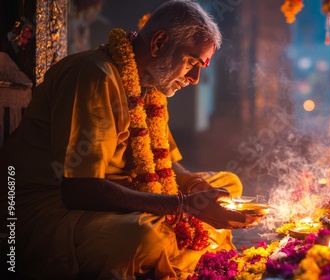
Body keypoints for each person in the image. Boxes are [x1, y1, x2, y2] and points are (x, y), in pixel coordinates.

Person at [0, 1, 253, 279]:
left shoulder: (152, 85)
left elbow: (166, 164)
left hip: (120, 192)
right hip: (48, 207)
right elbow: (79, 190)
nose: (194, 78)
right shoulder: (94, 76)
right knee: (144, 238)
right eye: (192, 62)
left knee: (229, 186)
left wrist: (196, 189)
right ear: (159, 43)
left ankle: (176, 240)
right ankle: (171, 246)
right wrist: (182, 206)